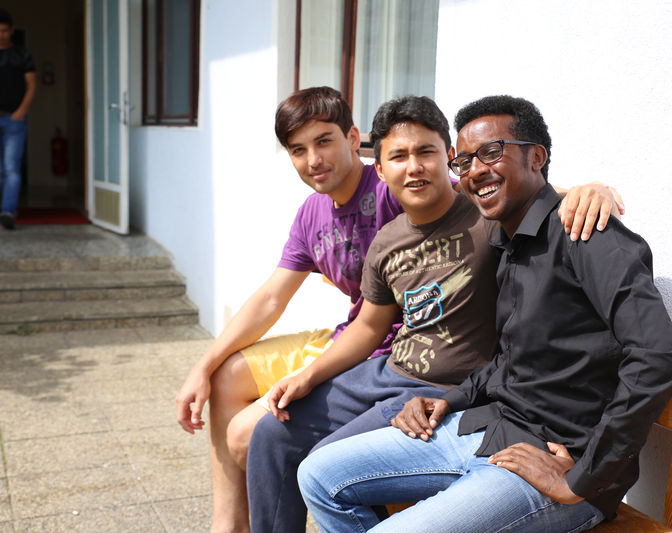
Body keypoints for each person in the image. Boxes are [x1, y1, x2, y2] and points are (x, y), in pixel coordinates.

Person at [175, 87, 616, 533]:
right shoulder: (384, 239)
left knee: (321, 467)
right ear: (381, 168)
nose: (414, 166)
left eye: (427, 152)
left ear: (448, 157)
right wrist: (305, 376)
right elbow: (368, 326)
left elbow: (533, 193)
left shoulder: (484, 211)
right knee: (271, 432)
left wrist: (588, 190)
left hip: (442, 385)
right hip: (387, 367)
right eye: (399, 157)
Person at [297, 95, 672, 533]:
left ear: (536, 157)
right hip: (489, 428)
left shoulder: (586, 234)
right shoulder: (508, 243)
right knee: (318, 475)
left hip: (556, 460)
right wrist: (450, 399)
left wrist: (585, 477)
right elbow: (507, 362)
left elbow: (658, 356)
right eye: (464, 161)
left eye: (491, 152)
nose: (475, 171)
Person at [0, 9, 36, 230]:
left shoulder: (23, 54)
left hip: (14, 120)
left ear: (12, 30)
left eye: (4, 30)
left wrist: (21, 111)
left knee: (11, 167)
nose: (1, 35)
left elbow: (32, 85)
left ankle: (8, 212)